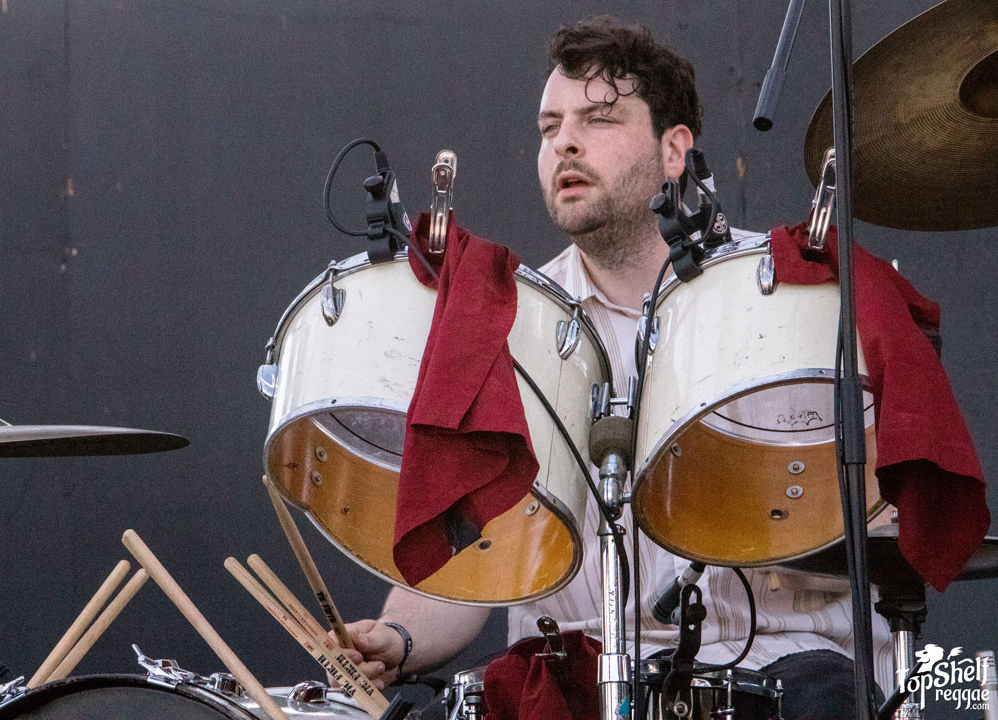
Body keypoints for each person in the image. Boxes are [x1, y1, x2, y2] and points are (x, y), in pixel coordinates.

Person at [337, 16, 893, 717]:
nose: (565, 140)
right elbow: (461, 554)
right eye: (549, 127)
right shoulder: (504, 329)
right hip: (576, 684)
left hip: (781, 676)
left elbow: (882, 535)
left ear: (673, 149)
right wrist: (395, 636)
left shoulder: (794, 300)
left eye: (599, 119)